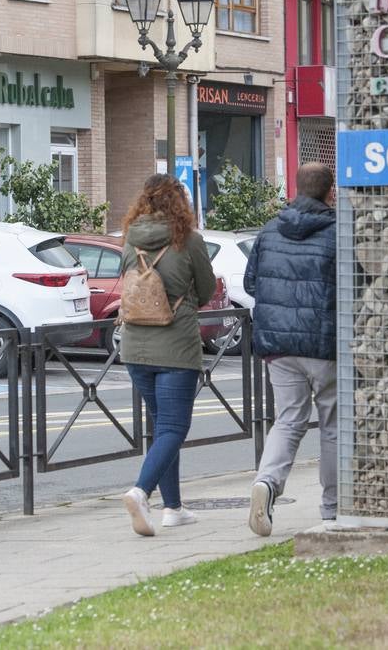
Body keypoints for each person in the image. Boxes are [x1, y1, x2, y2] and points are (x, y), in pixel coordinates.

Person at [118, 173, 217, 537]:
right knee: (174, 428)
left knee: (163, 428)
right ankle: (141, 492)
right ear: (180, 202)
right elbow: (206, 290)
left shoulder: (130, 238)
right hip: (176, 345)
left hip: (135, 347)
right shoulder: (189, 240)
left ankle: (173, 507)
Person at [244, 161, 338, 536]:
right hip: (325, 345)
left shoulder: (269, 231)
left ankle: (266, 483)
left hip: (279, 346)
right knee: (332, 425)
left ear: (296, 190)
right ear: (330, 192)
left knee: (288, 420)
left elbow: (252, 284)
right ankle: (332, 508)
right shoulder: (338, 232)